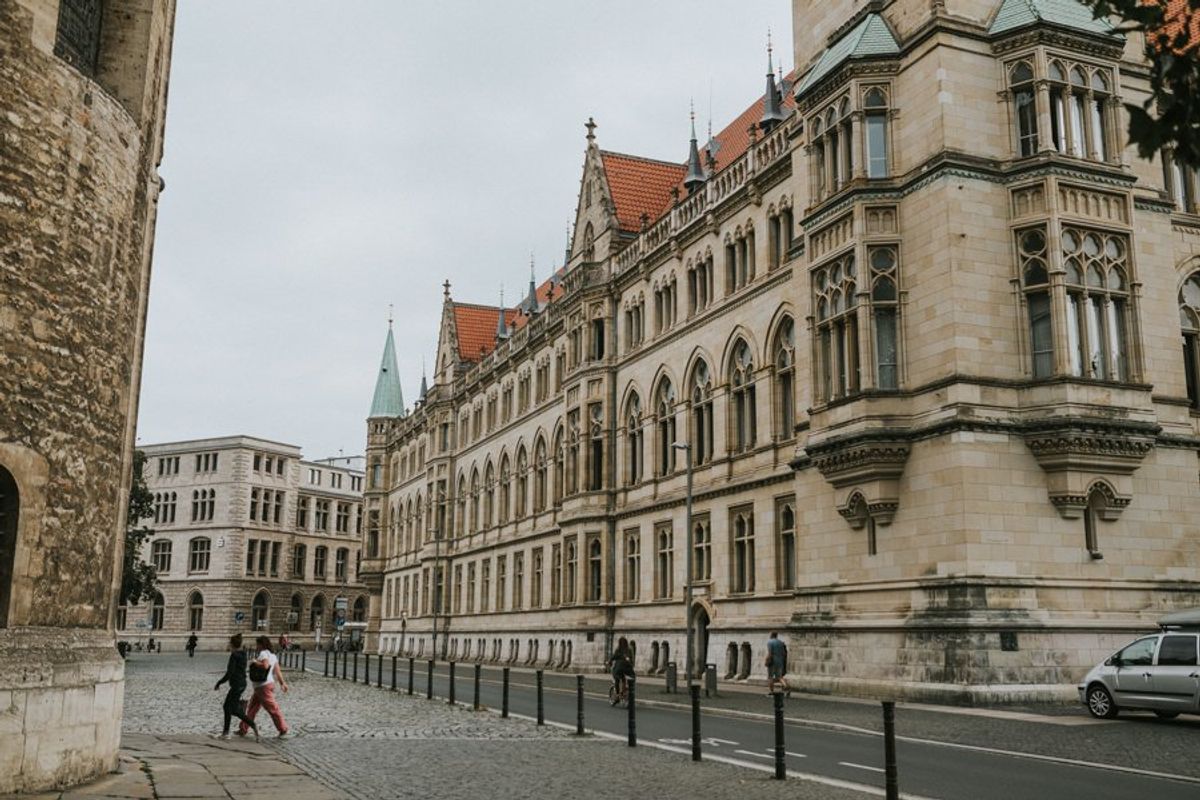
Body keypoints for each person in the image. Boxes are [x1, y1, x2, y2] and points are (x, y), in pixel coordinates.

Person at [238, 635, 290, 738]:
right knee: (252, 708)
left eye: (257, 644)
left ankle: (283, 729)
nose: (256, 646)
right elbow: (277, 671)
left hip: (263, 687)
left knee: (273, 708)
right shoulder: (273, 656)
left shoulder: (263, 653)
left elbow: (265, 665)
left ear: (262, 645)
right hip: (263, 686)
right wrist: (282, 683)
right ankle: (243, 729)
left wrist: (255, 662)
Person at [214, 634, 259, 740]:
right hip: (242, 683)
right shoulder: (243, 654)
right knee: (233, 709)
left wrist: (219, 682)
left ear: (232, 644)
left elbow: (230, 672)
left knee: (227, 707)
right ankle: (251, 724)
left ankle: (226, 733)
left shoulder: (234, 655)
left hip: (236, 684)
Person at [608, 636, 634, 704]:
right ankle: (623, 692)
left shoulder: (618, 649)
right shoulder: (630, 648)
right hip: (628, 667)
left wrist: (609, 662)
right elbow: (632, 658)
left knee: (617, 678)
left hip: (619, 668)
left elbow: (614, 656)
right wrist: (631, 665)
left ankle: (617, 695)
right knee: (624, 679)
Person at [765, 631, 789, 696]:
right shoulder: (780, 642)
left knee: (770, 677)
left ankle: (771, 692)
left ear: (771, 635)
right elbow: (783, 653)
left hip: (773, 661)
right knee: (779, 677)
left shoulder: (770, 642)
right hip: (780, 661)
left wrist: (767, 660)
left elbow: (770, 653)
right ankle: (786, 687)